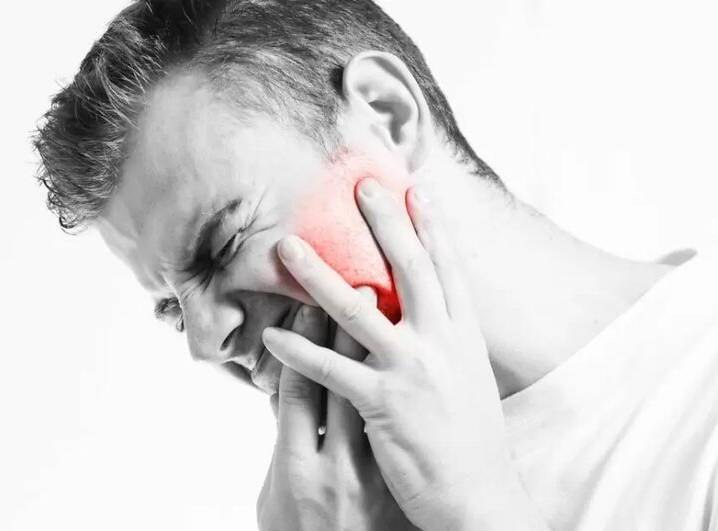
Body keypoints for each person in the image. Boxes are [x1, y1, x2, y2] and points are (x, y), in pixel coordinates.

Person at [33, 0, 718, 529]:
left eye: (223, 244)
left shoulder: (698, 402)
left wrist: (476, 508)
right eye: (173, 310)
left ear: (388, 117)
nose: (206, 342)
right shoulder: (330, 503)